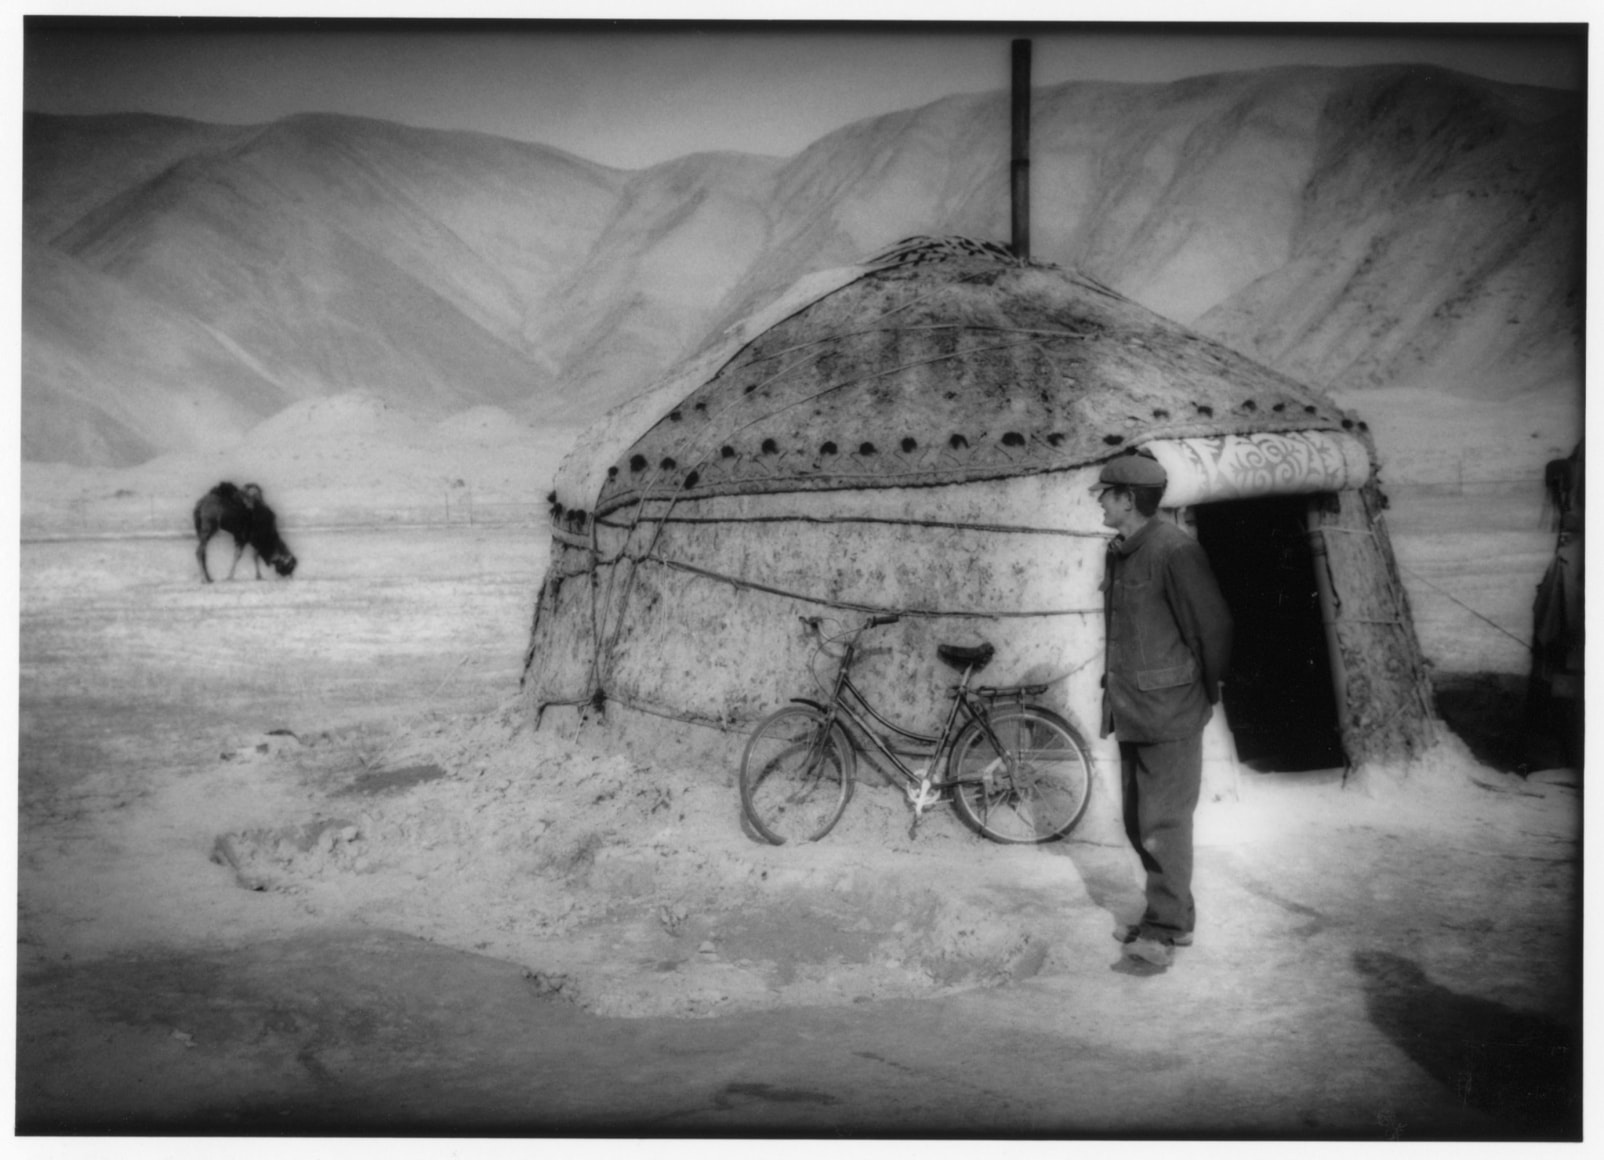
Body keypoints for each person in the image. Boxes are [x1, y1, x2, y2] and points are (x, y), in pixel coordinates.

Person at [1096, 450, 1233, 968]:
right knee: (1138, 821)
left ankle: (1163, 929)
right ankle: (1173, 915)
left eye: (1106, 495)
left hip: (1170, 709)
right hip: (1134, 707)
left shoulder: (1174, 551)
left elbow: (1213, 628)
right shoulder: (1124, 549)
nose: (1101, 505)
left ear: (1128, 499)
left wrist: (1200, 692)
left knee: (1163, 822)